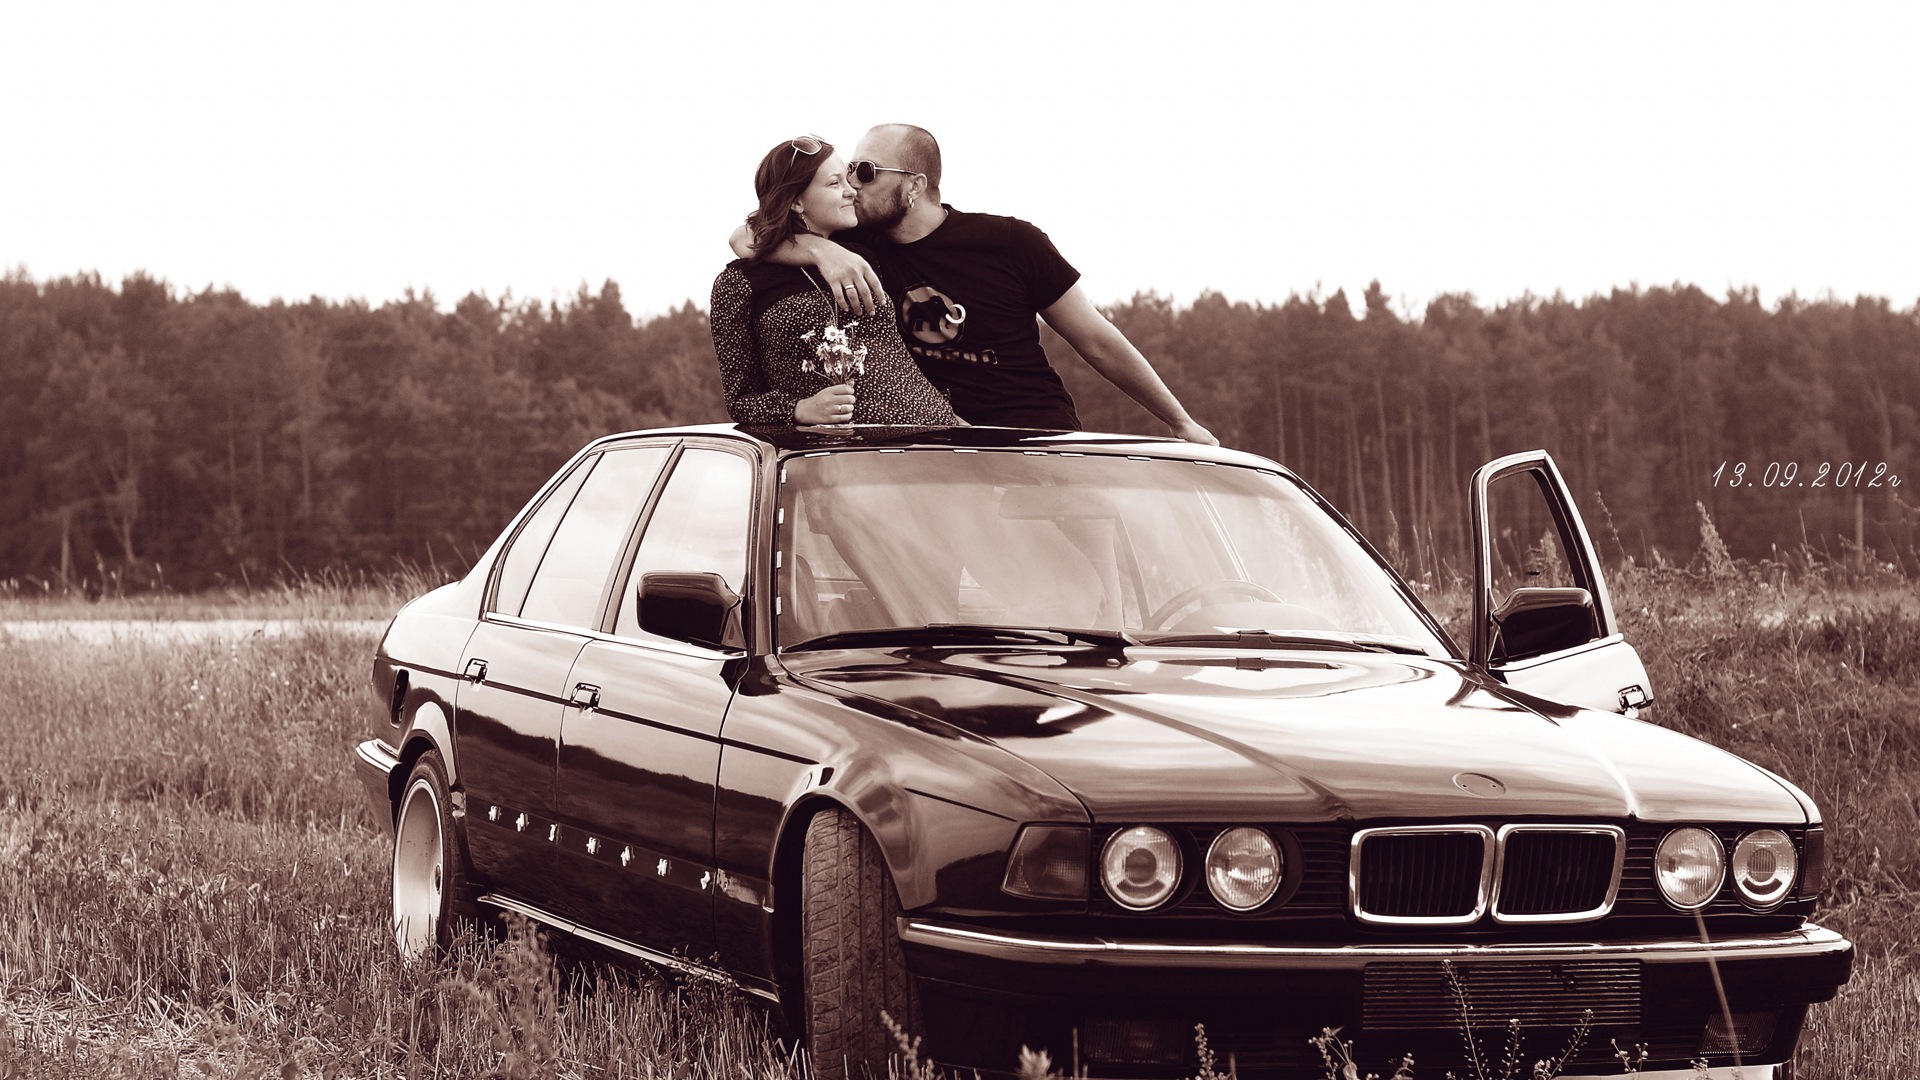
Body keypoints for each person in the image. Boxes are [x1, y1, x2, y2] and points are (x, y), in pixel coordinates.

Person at [731, 124, 1216, 444]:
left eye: (866, 171)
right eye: (849, 172)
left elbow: (1098, 341)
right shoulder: (860, 246)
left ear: (914, 185)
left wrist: (1180, 421)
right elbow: (746, 237)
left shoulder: (1010, 242)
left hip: (1033, 437)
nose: (853, 184)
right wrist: (822, 250)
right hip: (937, 446)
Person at [710, 135, 961, 428]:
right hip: (853, 451)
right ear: (796, 201)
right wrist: (799, 409)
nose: (851, 190)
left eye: (847, 178)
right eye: (834, 183)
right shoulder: (739, 283)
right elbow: (741, 402)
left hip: (939, 430)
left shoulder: (866, 251)